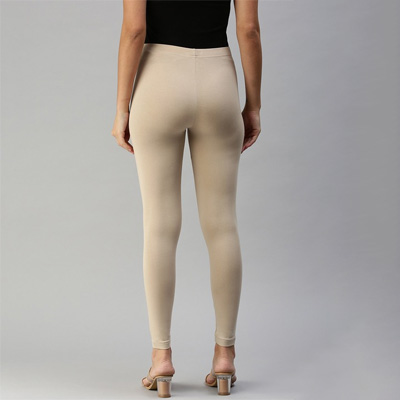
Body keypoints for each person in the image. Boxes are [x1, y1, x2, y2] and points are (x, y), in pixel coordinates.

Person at [111, 0, 262, 396]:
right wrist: (253, 104)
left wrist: (122, 108)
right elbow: (248, 30)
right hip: (218, 80)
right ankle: (225, 354)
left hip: (157, 79)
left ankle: (161, 358)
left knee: (159, 226)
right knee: (222, 224)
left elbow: (134, 30)